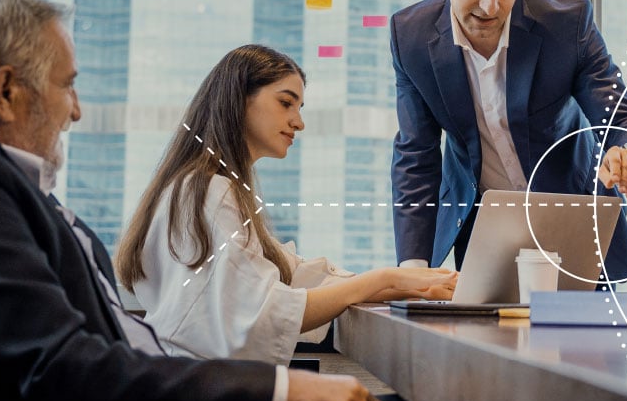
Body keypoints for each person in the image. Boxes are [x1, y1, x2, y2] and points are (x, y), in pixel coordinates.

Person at [0, 0, 376, 401]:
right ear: (6, 93)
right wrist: (279, 389)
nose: (76, 111)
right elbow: (57, 366)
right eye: (66, 86)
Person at [115, 44, 458, 364]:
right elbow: (266, 310)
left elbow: (289, 272)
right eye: (285, 103)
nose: (299, 122)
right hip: (204, 385)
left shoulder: (201, 186)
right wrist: (383, 278)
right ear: (239, 100)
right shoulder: (209, 192)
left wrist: (402, 283)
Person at [389, 0, 627, 280]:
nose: (491, 6)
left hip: (575, 220)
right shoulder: (411, 36)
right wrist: (412, 268)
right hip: (485, 229)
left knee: (584, 337)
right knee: (485, 336)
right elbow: (416, 155)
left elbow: (622, 117)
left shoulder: (568, 27)